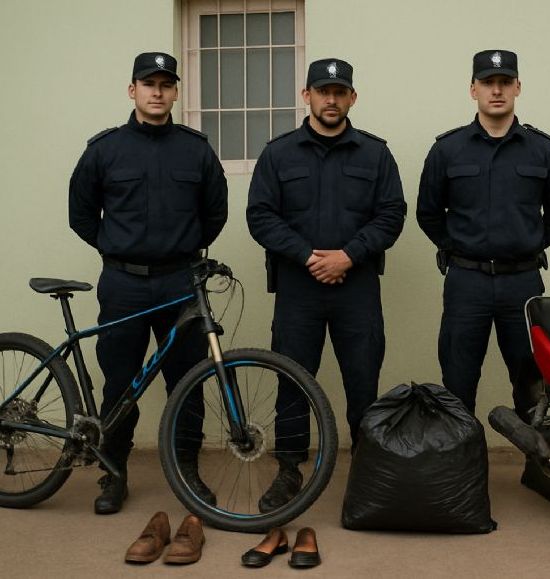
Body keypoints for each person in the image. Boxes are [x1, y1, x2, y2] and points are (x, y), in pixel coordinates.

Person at [69, 51, 228, 514]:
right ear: (132, 90)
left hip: (181, 283)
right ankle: (113, 473)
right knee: (120, 382)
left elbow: (214, 212)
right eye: (148, 83)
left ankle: (187, 472)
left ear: (176, 91)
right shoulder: (104, 149)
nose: (157, 92)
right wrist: (117, 247)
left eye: (166, 84)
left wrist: (182, 250)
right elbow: (81, 214)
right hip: (123, 284)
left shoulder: (195, 148)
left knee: (188, 381)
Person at [247, 58, 406, 509]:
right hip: (299, 287)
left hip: (356, 289)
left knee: (363, 381)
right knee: (293, 382)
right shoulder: (279, 153)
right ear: (307, 97)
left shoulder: (375, 154)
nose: (331, 99)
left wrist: (349, 255)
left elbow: (392, 213)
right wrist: (306, 256)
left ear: (352, 97)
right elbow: (260, 215)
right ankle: (289, 471)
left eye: (339, 92)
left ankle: (367, 472)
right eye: (323, 91)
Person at [416, 49, 550, 419]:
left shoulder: (542, 149)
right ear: (473, 90)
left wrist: (526, 242)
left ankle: (541, 470)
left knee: (532, 381)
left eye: (505, 83)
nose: (497, 91)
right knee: (458, 380)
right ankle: (461, 475)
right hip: (465, 282)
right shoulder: (447, 150)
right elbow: (428, 213)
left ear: (518, 87)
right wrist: (459, 248)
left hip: (522, 283)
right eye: (488, 83)